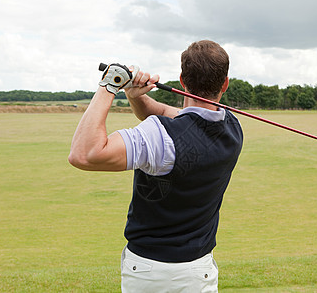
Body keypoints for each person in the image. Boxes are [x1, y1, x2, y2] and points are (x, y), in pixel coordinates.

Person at [68, 40, 243, 292]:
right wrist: (134, 95)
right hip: (199, 272)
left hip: (149, 273)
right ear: (225, 83)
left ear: (183, 80)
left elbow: (84, 154)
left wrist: (109, 85)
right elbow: (164, 112)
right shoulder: (232, 127)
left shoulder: (159, 135)